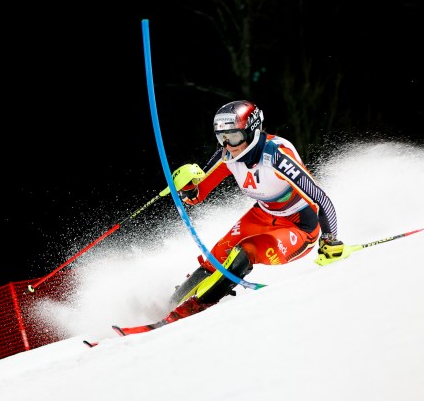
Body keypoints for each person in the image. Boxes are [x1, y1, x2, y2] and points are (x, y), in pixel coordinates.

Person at [114, 100, 344, 336]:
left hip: (300, 227)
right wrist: (187, 188)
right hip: (263, 213)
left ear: (252, 130)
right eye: (221, 137)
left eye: (233, 137)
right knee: (215, 258)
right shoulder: (226, 155)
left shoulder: (276, 156)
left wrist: (329, 240)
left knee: (245, 251)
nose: (227, 145)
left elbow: (320, 199)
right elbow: (196, 196)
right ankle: (170, 304)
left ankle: (188, 311)